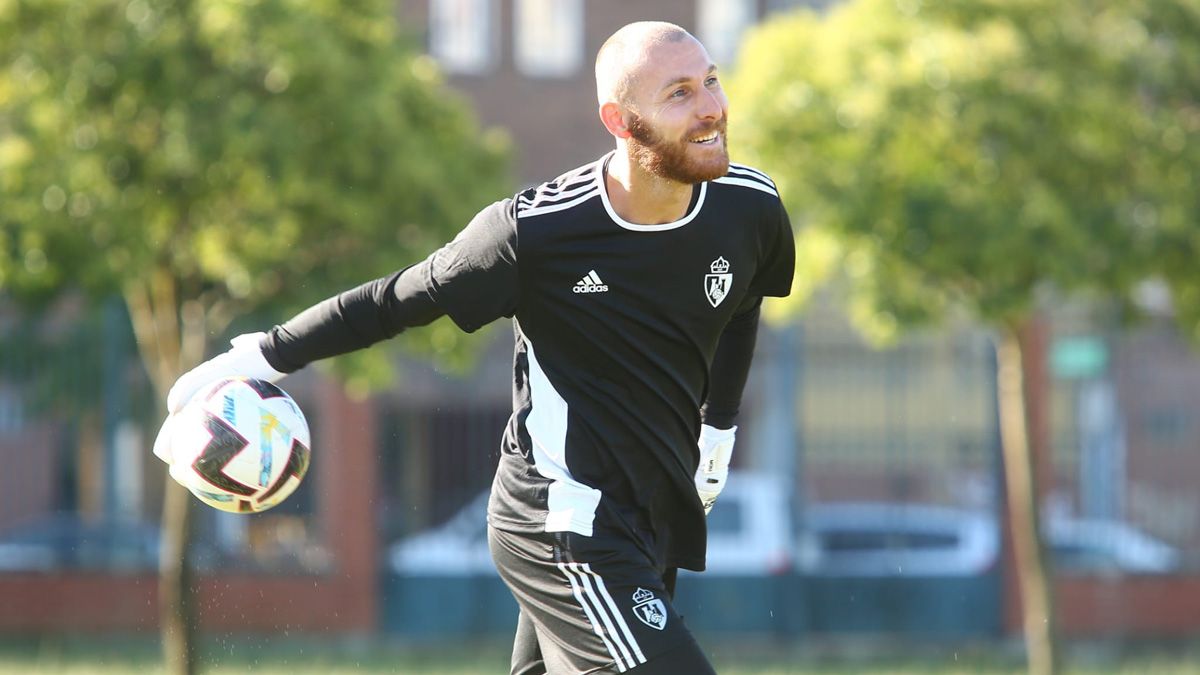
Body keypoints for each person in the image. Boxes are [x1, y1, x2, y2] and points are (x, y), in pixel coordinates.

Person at [157, 21, 794, 674]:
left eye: (711, 81)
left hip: (652, 518)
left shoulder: (750, 208)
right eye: (680, 93)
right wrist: (259, 355)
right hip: (563, 522)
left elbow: (744, 299)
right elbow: (395, 300)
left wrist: (717, 430)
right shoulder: (535, 234)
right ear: (620, 120)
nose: (711, 107)